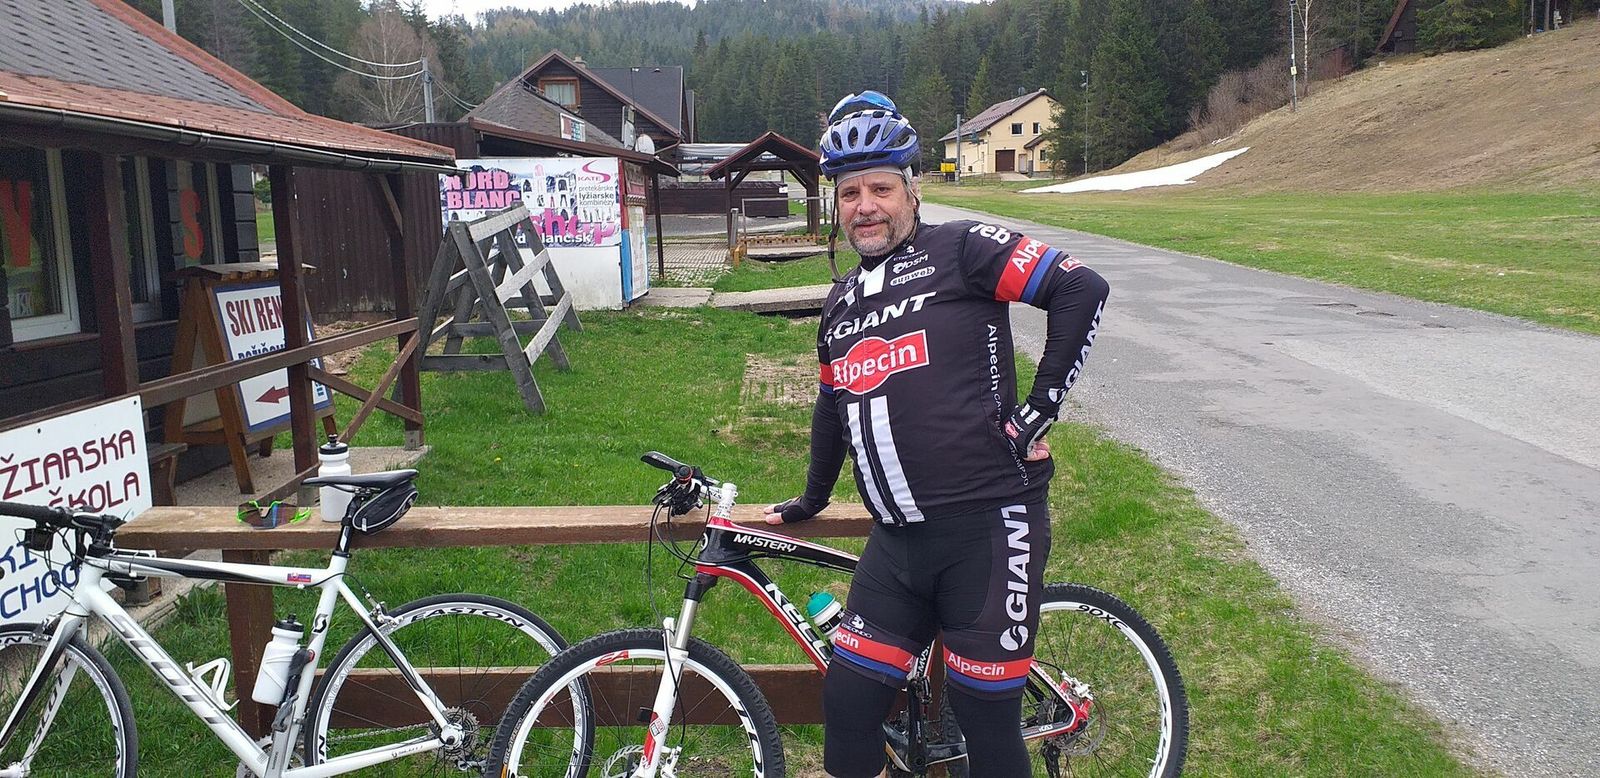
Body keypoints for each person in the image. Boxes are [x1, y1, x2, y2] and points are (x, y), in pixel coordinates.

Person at [762, 91, 1111, 777]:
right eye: (850, 192)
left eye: (881, 189)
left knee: (985, 722)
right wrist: (811, 498)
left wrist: (1039, 410)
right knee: (849, 707)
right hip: (897, 546)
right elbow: (833, 406)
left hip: (988, 529)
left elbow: (1080, 288)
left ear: (911, 191)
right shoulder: (839, 302)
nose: (865, 206)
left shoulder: (962, 249)